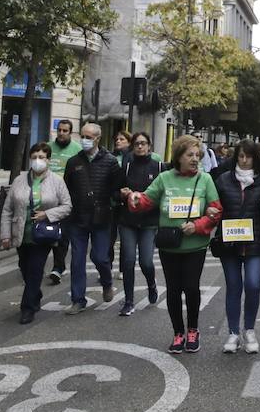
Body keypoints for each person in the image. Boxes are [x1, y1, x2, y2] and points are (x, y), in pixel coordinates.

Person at [129, 134, 222, 352]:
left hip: (195, 245)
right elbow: (146, 200)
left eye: (197, 155)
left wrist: (198, 225)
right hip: (169, 244)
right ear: (179, 156)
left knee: (191, 288)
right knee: (172, 289)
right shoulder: (164, 178)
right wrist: (134, 200)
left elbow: (217, 211)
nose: (194, 159)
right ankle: (178, 333)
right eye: (190, 155)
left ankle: (193, 330)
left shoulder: (205, 180)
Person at [0, 143, 72, 324]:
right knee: (24, 267)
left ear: (48, 160)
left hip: (43, 235)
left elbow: (67, 206)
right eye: (34, 157)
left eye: (42, 157)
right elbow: (8, 209)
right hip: (21, 233)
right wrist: (5, 235)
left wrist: (47, 214)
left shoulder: (57, 181)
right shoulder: (19, 180)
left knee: (35, 269)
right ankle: (35, 293)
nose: (37, 161)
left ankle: (27, 308)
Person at [212, 139, 260, 353]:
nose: (244, 160)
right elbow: (214, 204)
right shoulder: (223, 180)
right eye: (241, 156)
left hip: (255, 238)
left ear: (255, 158)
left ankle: (250, 330)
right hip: (230, 240)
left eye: (248, 156)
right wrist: (211, 212)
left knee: (253, 284)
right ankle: (233, 333)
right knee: (234, 286)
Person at [61, 122, 121, 314]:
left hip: (102, 218)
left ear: (97, 139)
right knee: (77, 259)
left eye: (89, 137)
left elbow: (117, 189)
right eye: (83, 136)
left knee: (100, 257)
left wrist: (119, 197)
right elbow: (66, 189)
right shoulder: (73, 162)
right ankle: (78, 299)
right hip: (78, 218)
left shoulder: (110, 161)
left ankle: (107, 282)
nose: (84, 140)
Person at [115, 132, 165, 316]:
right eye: (136, 144)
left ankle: (152, 284)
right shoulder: (126, 167)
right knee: (128, 261)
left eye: (143, 143)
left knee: (146, 262)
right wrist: (122, 193)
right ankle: (128, 301)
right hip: (128, 221)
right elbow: (115, 192)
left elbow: (165, 192)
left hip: (149, 221)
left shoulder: (159, 167)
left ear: (149, 146)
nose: (140, 147)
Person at [46, 120, 82, 285]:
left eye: (65, 131)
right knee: (47, 233)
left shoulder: (77, 150)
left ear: (70, 132)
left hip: (67, 199)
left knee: (62, 235)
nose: (61, 133)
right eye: (59, 130)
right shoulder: (47, 147)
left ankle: (58, 268)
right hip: (47, 199)